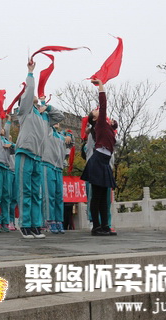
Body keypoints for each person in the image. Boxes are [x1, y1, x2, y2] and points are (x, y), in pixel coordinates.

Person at [15, 61, 64, 239]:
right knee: (25, 190)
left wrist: (48, 107)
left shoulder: (44, 116)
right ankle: (25, 224)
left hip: (38, 157)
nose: (34, 97)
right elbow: (28, 94)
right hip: (24, 153)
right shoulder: (25, 112)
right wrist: (30, 72)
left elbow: (60, 117)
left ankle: (36, 224)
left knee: (36, 193)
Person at [80, 80, 117, 236]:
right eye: (94, 112)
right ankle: (96, 227)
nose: (97, 110)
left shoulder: (106, 127)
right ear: (94, 119)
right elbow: (103, 104)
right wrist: (101, 86)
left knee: (103, 197)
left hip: (104, 161)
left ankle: (105, 226)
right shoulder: (99, 124)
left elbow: (112, 140)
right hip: (97, 160)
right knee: (96, 196)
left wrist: (114, 126)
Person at [42, 123, 71, 234]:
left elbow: (70, 142)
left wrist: (69, 135)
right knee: (50, 195)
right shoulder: (47, 131)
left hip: (59, 168)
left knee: (59, 196)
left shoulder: (60, 135)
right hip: (48, 165)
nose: (57, 122)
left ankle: (59, 220)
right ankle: (50, 220)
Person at [0, 111, 14, 232]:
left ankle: (6, 221)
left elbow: (15, 148)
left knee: (6, 196)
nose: (2, 130)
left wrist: (9, 120)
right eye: (0, 129)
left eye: (4, 130)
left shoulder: (7, 141)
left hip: (6, 168)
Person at [4, 115, 17, 231]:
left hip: (15, 174)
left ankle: (12, 220)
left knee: (14, 199)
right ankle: (6, 220)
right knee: (7, 197)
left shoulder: (14, 148)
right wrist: (8, 121)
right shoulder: (3, 146)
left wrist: (12, 145)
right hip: (8, 172)